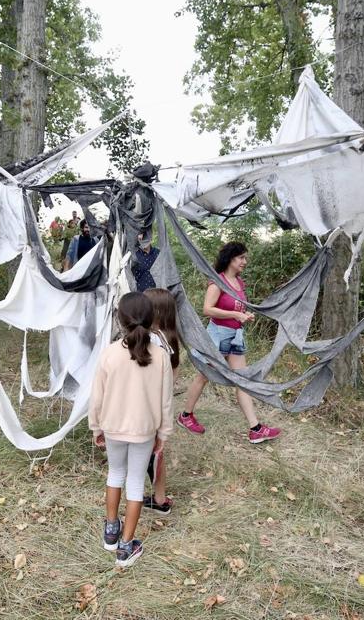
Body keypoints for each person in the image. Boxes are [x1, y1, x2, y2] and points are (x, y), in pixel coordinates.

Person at [89, 292, 173, 567]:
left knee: (115, 474)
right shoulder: (161, 356)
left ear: (120, 320)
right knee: (135, 483)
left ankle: (111, 530)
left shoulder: (109, 354)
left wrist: (96, 427)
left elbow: (97, 397)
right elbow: (166, 400)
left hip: (112, 427)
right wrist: (163, 434)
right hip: (144, 431)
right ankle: (126, 546)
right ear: (152, 319)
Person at [178, 242, 281, 444]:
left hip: (235, 337)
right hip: (217, 335)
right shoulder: (218, 281)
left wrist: (243, 315)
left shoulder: (239, 283)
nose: (245, 261)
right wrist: (235, 314)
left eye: (245, 257)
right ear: (230, 258)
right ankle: (185, 416)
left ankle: (255, 428)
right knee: (204, 377)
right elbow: (207, 309)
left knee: (243, 380)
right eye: (241, 257)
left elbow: (236, 307)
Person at [142, 288, 180, 515]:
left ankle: (155, 498)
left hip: (149, 406)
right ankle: (160, 497)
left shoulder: (153, 340)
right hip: (160, 405)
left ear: (154, 311)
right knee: (157, 453)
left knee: (150, 454)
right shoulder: (169, 338)